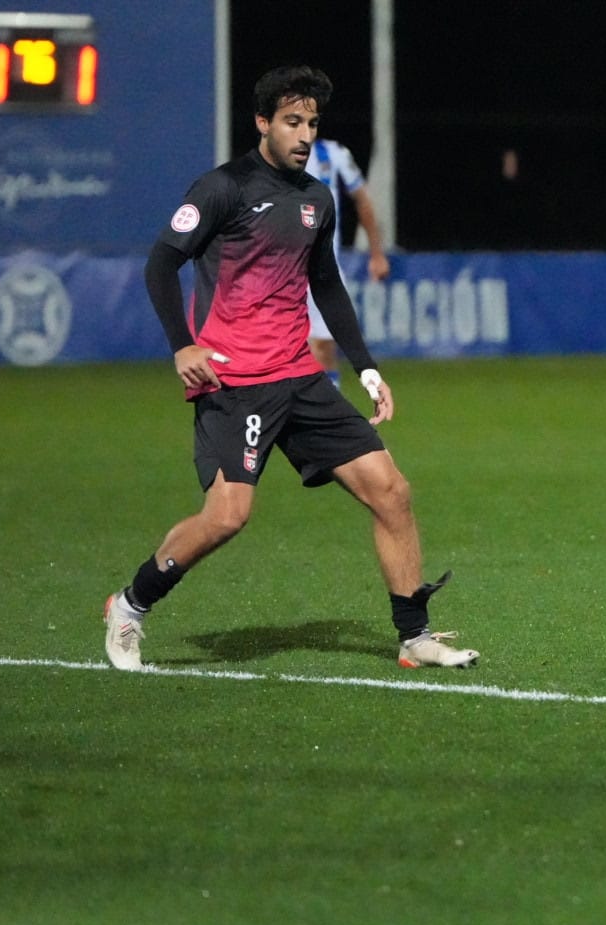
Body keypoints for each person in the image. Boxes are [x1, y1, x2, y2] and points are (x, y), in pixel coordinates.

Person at [101, 65, 477, 671]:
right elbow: (159, 264)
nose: (305, 135)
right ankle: (129, 606)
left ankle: (415, 638)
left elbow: (325, 284)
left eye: (312, 123)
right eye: (292, 122)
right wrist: (182, 345)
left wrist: (367, 369)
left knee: (391, 490)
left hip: (298, 377)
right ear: (262, 123)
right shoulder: (221, 188)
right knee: (227, 518)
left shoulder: (315, 198)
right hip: (234, 384)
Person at [304, 137, 390, 390]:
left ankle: (324, 423)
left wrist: (377, 253)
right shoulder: (273, 156)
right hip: (281, 268)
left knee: (324, 347)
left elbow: (361, 199)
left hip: (323, 267)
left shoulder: (333, 154)